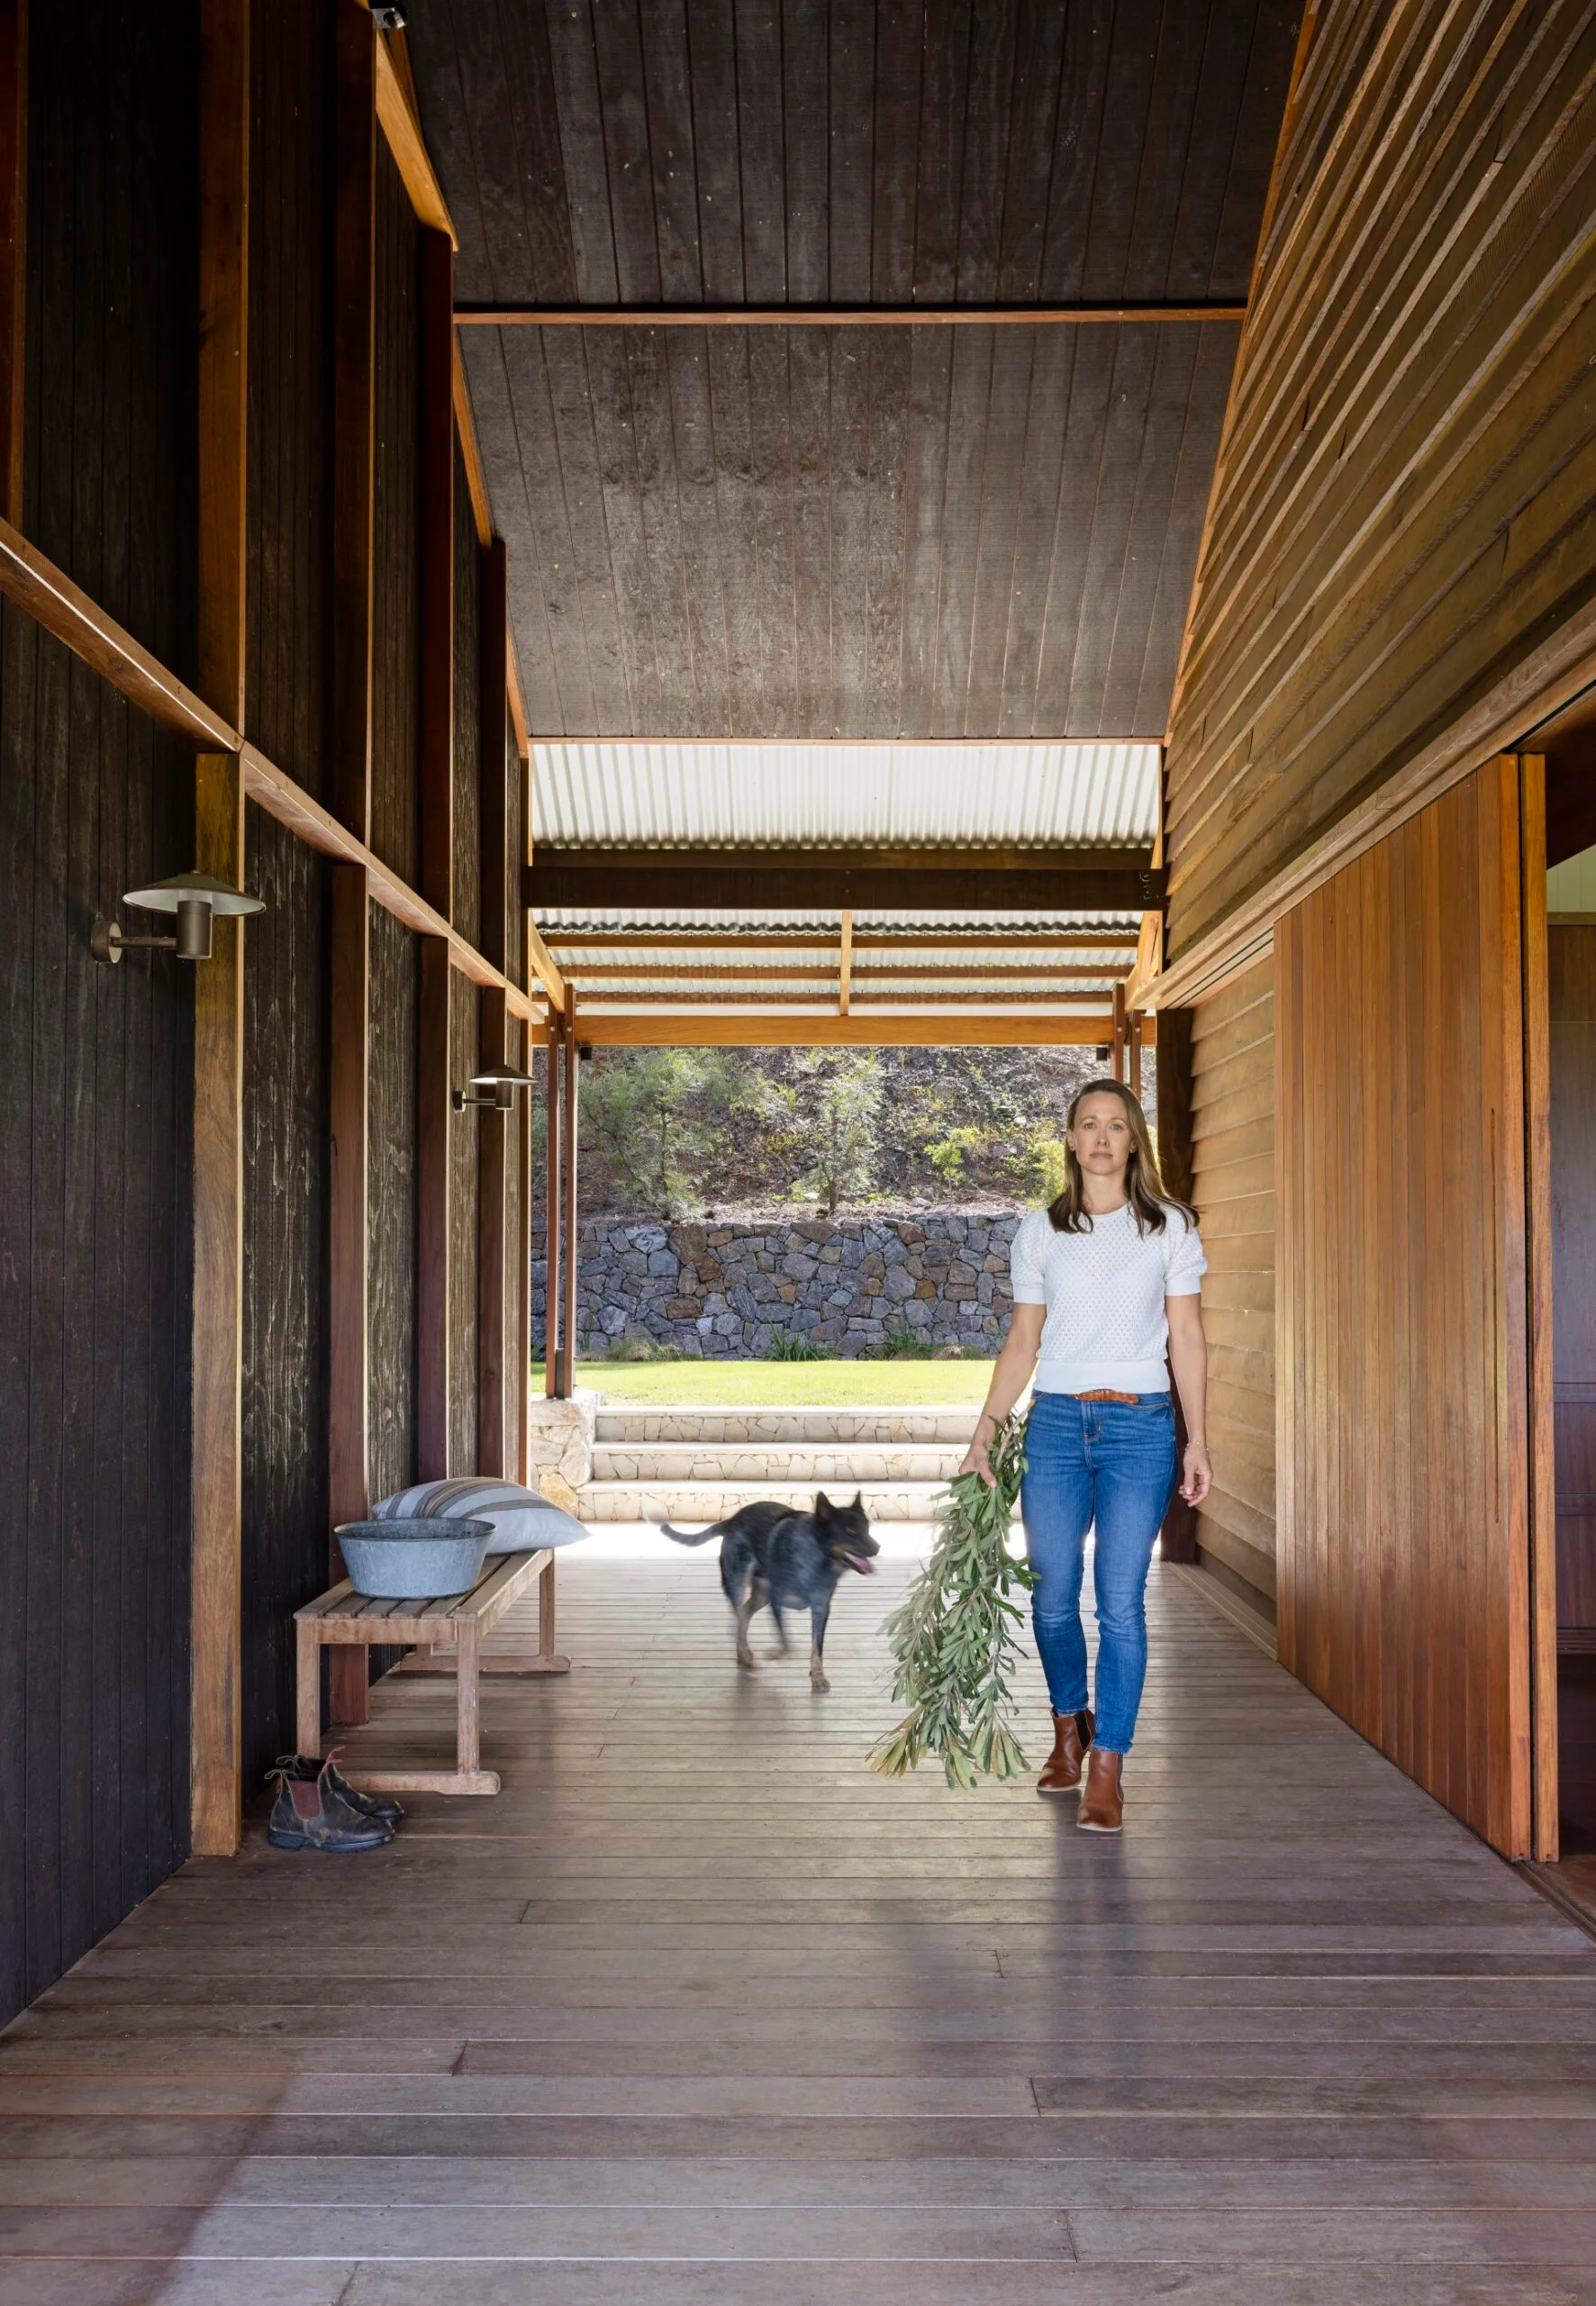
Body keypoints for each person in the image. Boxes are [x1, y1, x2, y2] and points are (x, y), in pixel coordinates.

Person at [957, 1077, 1211, 1833]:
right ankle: (1071, 1726)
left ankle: (1108, 1767)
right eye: (1088, 1125)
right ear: (1069, 1140)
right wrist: (984, 1433)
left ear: (1135, 1139)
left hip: (1141, 1429)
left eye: (1117, 1125)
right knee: (1052, 1596)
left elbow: (1189, 1340)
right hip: (1058, 1428)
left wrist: (1199, 1439)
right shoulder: (1040, 1232)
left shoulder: (1170, 1227)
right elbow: (1023, 1340)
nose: (1102, 1137)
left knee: (1121, 1603)